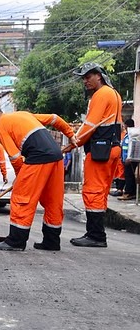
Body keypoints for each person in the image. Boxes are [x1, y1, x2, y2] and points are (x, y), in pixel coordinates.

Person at [0, 104, 76, 251]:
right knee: (52, 201)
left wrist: (20, 178)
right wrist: (71, 135)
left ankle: (16, 241)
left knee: (21, 197)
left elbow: (15, 157)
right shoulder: (23, 115)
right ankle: (51, 241)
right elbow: (54, 118)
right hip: (56, 156)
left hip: (38, 156)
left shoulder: (1, 126)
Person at [67, 62, 123, 248]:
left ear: (98, 75)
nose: (85, 81)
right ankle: (97, 234)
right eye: (83, 78)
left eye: (88, 76)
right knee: (102, 191)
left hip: (100, 151)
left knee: (92, 191)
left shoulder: (101, 95)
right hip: (112, 148)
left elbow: (90, 125)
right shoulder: (114, 93)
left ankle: (96, 235)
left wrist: (73, 143)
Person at [119, 119, 136, 201]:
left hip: (130, 160)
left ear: (127, 125)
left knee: (129, 177)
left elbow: (132, 147)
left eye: (124, 125)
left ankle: (129, 193)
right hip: (126, 159)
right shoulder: (127, 134)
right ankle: (131, 193)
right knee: (129, 176)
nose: (123, 126)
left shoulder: (132, 135)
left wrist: (129, 158)